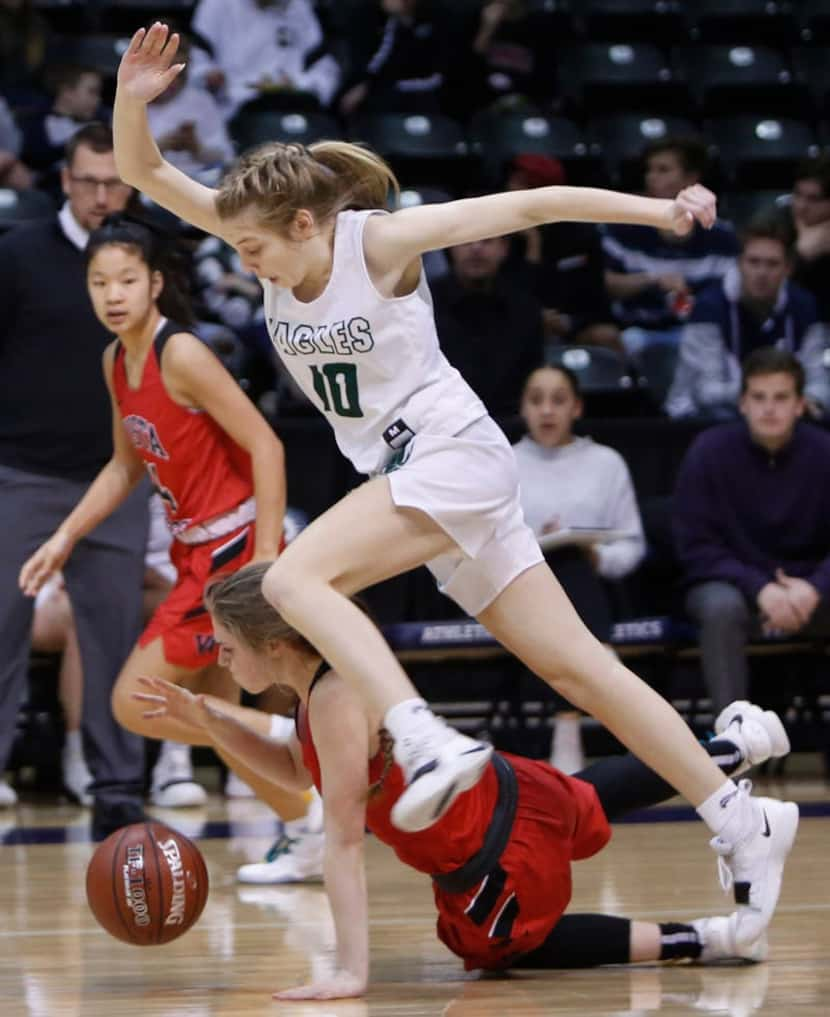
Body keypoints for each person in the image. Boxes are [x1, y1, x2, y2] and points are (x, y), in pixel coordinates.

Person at [113, 23, 798, 948]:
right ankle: (737, 814)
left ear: (306, 225)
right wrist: (132, 96)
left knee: (291, 581)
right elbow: (146, 172)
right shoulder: (259, 230)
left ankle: (424, 731)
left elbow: (533, 208)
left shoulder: (381, 243)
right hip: (417, 475)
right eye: (235, 249)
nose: (246, 265)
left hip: (453, 453)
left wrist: (663, 212)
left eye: (254, 250)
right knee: (579, 668)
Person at [135, 562, 791, 1000]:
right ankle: (733, 746)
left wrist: (349, 971)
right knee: (589, 795)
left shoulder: (333, 703)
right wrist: (213, 724)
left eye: (226, 644)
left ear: (274, 642)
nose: (218, 659)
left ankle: (709, 936)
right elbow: (293, 769)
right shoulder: (316, 690)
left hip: (492, 852)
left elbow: (340, 842)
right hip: (500, 794)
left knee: (503, 948)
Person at [16, 213, 309, 831]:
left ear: (154, 283)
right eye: (100, 283)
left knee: (134, 702)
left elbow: (267, 447)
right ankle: (304, 823)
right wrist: (64, 537)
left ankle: (295, 734)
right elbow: (124, 468)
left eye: (126, 280)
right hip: (192, 553)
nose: (113, 295)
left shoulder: (182, 352)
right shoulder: (115, 361)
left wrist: (262, 559)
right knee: (215, 716)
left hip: (232, 551)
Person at [0, 123, 147, 835]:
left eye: (114, 181)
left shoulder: (147, 255)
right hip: (22, 473)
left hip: (117, 477)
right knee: (1, 621)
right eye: (87, 181)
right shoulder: (20, 253)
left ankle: (118, 783)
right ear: (63, 180)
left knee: (113, 632)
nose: (100, 195)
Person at [673, 347, 830, 714]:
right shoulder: (708, 451)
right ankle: (735, 741)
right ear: (742, 403)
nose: (769, 408)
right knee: (719, 607)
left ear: (800, 405)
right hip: (734, 587)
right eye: (758, 397)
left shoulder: (825, 453)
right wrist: (760, 588)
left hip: (810, 588)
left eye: (780, 398)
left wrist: (815, 586)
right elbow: (696, 547)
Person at [514, 364, 646, 772]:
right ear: (523, 408)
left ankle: (566, 727)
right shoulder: (504, 462)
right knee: (553, 564)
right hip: (521, 594)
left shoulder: (606, 463)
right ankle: (600, 665)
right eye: (537, 400)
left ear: (577, 407)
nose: (547, 411)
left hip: (597, 590)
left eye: (558, 400)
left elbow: (633, 544)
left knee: (570, 562)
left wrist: (596, 556)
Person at [665, 216, 830, 420]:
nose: (761, 272)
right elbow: (705, 392)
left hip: (781, 418)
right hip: (699, 421)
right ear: (739, 264)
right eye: (753, 262)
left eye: (772, 264)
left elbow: (820, 383)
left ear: (788, 269)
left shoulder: (804, 306)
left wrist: (809, 400)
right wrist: (775, 394)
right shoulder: (709, 307)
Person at [602, 136, 739, 358]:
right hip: (638, 333)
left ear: (691, 179)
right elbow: (606, 283)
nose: (651, 177)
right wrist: (652, 279)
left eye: (663, 170)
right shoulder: (624, 229)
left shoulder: (722, 237)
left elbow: (731, 293)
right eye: (649, 170)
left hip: (701, 335)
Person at [504, 153, 621, 351]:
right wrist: (533, 247)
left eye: (523, 184)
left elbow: (596, 297)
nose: (512, 190)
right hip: (514, 324)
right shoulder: (502, 233)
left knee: (607, 335)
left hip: (572, 324)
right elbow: (506, 294)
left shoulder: (580, 236)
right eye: (514, 181)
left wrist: (568, 323)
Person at [431, 231, 544, 417]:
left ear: (504, 248)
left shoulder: (526, 307)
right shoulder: (426, 305)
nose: (476, 248)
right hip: (440, 425)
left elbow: (531, 380)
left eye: (487, 241)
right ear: (450, 246)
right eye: (466, 241)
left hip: (510, 428)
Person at [188, 0, 341, 117]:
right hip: (235, 108)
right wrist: (207, 74)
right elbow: (195, 58)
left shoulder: (298, 6)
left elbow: (325, 66)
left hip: (293, 103)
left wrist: (302, 84)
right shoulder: (217, 5)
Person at [788, 154, 830, 324]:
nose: (801, 206)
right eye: (798, 195)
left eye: (813, 199)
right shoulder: (779, 225)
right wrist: (800, 254)